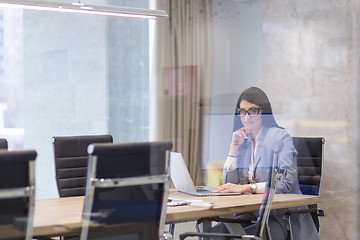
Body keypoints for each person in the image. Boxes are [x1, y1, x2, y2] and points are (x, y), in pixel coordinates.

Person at [211, 87, 319, 240]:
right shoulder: (244, 141)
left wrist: (248, 187)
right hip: (252, 214)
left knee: (236, 237)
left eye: (253, 111)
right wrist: (233, 149)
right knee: (213, 234)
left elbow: (285, 184)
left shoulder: (280, 138)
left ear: (264, 112)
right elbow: (230, 185)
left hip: (281, 218)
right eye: (242, 111)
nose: (246, 117)